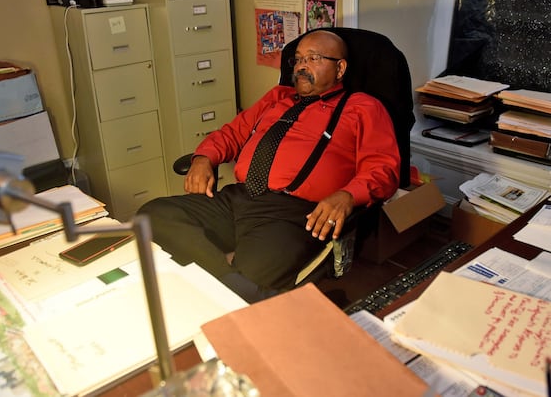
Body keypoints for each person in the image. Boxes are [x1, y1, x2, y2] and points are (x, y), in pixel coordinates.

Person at [138, 30, 400, 303]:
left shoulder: (363, 107)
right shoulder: (278, 97)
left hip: (293, 214)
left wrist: (348, 195)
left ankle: (231, 284)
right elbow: (232, 133)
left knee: (251, 275)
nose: (301, 66)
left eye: (313, 58)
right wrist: (204, 158)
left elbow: (384, 168)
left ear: (340, 68)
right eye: (298, 59)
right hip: (238, 198)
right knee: (149, 217)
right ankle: (230, 280)